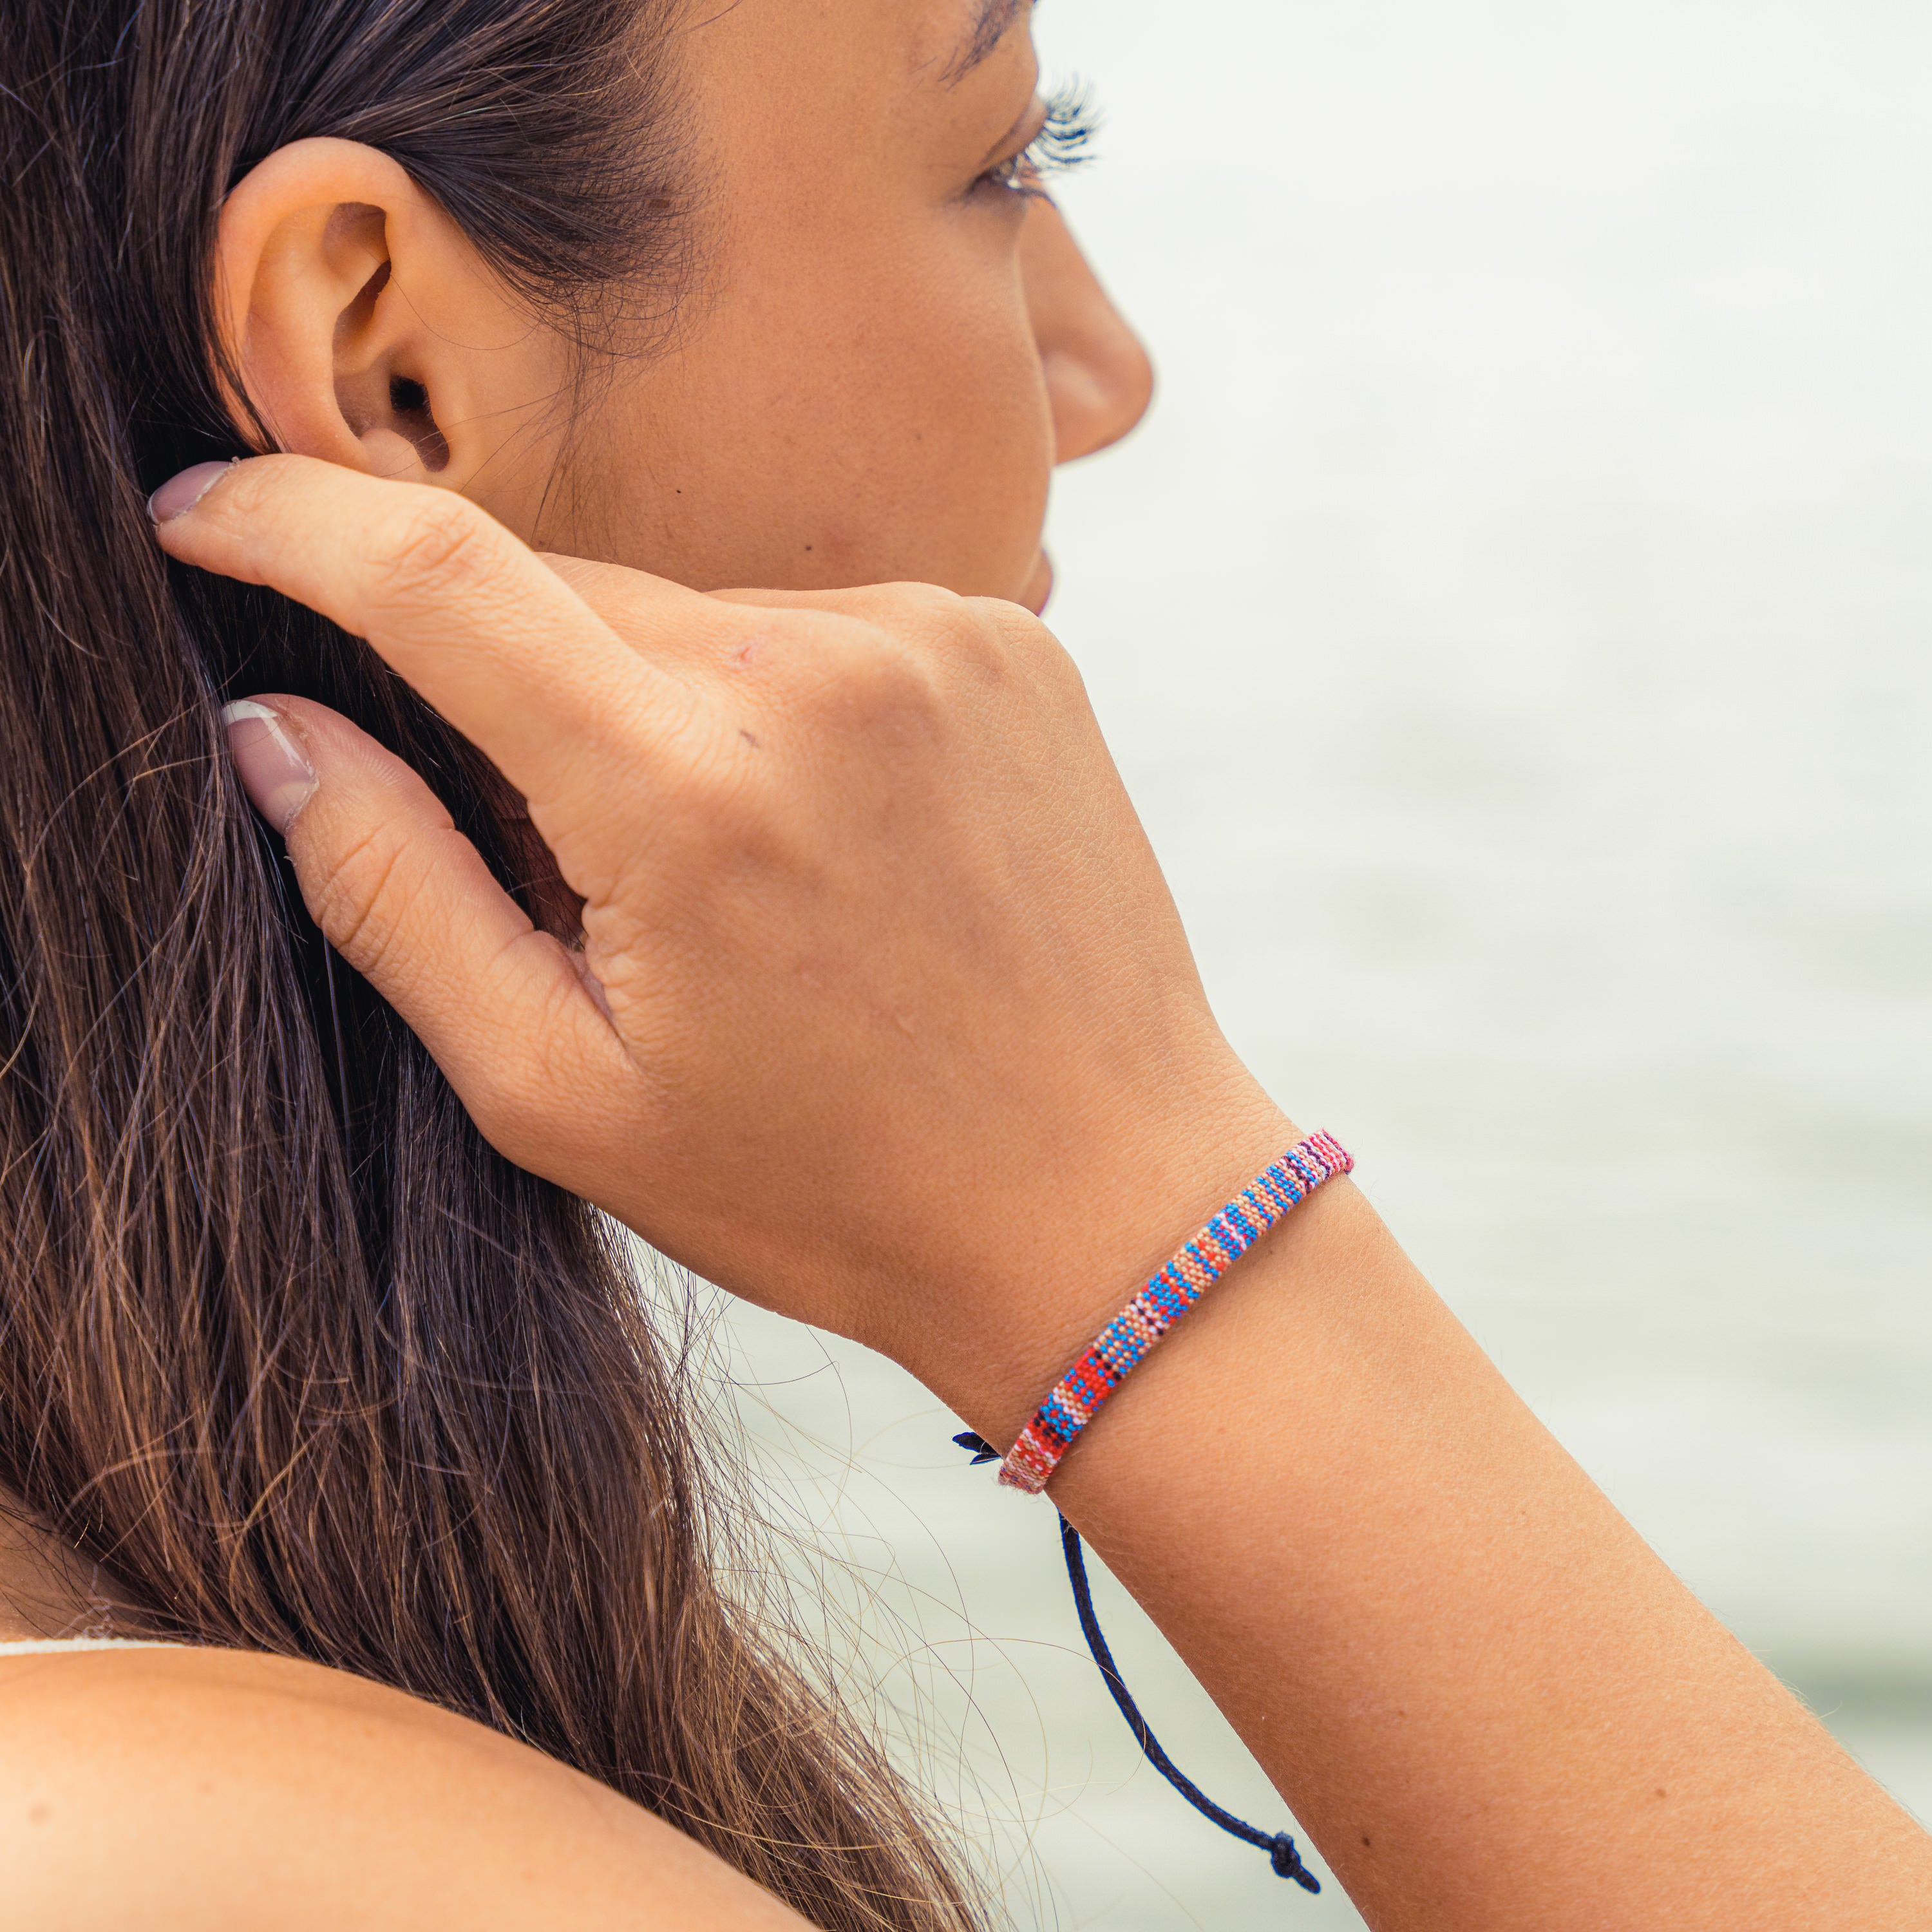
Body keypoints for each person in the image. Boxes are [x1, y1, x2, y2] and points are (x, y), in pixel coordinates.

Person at [0, 3, 1926, 1930]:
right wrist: (1135, 1209)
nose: (1103, 371)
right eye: (1011, 157)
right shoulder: (248, 1862)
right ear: (387, 364)